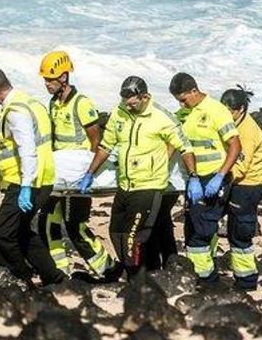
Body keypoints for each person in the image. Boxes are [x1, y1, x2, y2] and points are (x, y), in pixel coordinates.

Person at [79, 76, 197, 279]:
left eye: (133, 102)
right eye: (126, 101)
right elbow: (106, 146)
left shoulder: (161, 117)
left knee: (134, 238)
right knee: (115, 233)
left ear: (144, 97)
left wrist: (193, 176)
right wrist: (90, 173)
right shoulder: (119, 113)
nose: (129, 105)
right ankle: (147, 273)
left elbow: (185, 147)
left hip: (149, 186)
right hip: (125, 185)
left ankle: (138, 280)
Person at [38, 50, 117, 280]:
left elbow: (96, 141)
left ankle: (107, 268)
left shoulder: (82, 104)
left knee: (75, 227)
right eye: (44, 80)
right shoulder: (53, 104)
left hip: (78, 176)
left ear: (63, 77)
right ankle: (60, 271)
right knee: (48, 223)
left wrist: (89, 173)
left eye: (49, 80)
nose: (46, 84)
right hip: (58, 174)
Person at [0, 68, 65, 285]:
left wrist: (26, 186)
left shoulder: (15, 111)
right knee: (20, 232)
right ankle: (54, 277)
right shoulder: (31, 102)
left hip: (26, 183)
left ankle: (20, 278)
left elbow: (27, 148)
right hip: (43, 178)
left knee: (1, 235)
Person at [169, 72, 243, 283]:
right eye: (178, 101)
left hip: (213, 178)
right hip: (195, 179)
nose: (182, 105)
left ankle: (207, 280)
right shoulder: (187, 113)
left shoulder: (216, 111)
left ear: (194, 91)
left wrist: (220, 176)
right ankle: (200, 276)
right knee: (191, 229)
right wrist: (191, 177)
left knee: (200, 232)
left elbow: (235, 146)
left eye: (183, 99)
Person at [218, 86, 262, 290]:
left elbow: (240, 166)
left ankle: (247, 280)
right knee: (230, 229)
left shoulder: (247, 130)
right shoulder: (231, 123)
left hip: (248, 184)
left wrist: (220, 178)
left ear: (240, 110)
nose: (225, 115)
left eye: (228, 111)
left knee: (240, 232)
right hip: (235, 182)